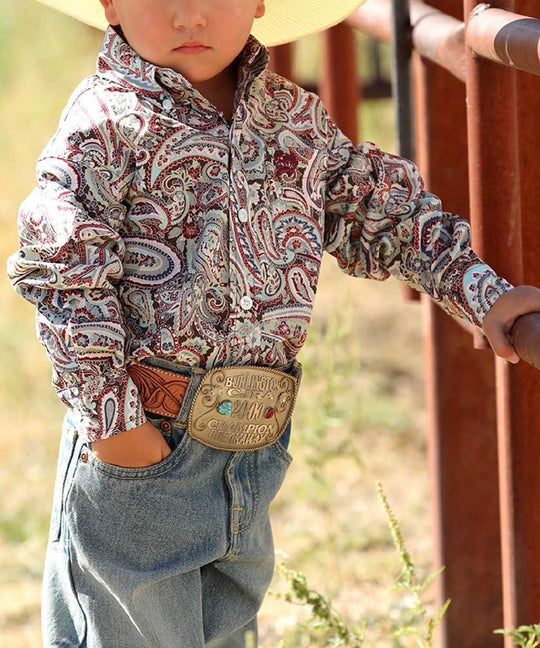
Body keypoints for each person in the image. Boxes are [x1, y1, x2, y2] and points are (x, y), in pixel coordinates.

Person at [7, 0, 540, 646]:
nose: (189, 16)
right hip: (141, 450)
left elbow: (384, 216)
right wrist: (117, 427)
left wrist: (479, 291)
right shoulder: (104, 125)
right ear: (110, 3)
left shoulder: (294, 124)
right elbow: (62, 267)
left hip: (249, 455)